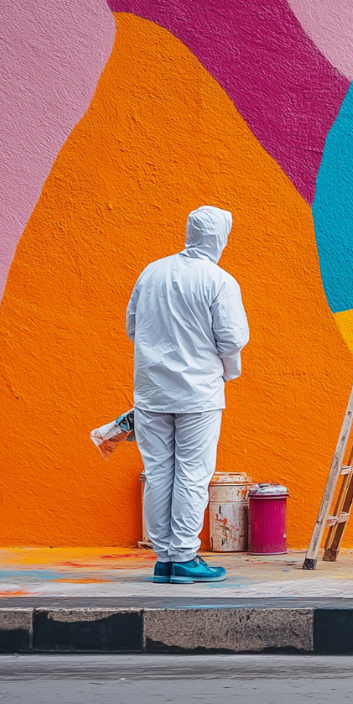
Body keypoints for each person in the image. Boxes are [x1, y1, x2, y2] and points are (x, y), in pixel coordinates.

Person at [128, 206, 249, 584]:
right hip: (198, 392)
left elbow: (133, 326)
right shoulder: (220, 280)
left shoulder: (151, 272)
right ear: (221, 237)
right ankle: (183, 556)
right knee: (193, 474)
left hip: (151, 391)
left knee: (159, 472)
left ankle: (164, 558)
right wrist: (226, 369)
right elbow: (232, 338)